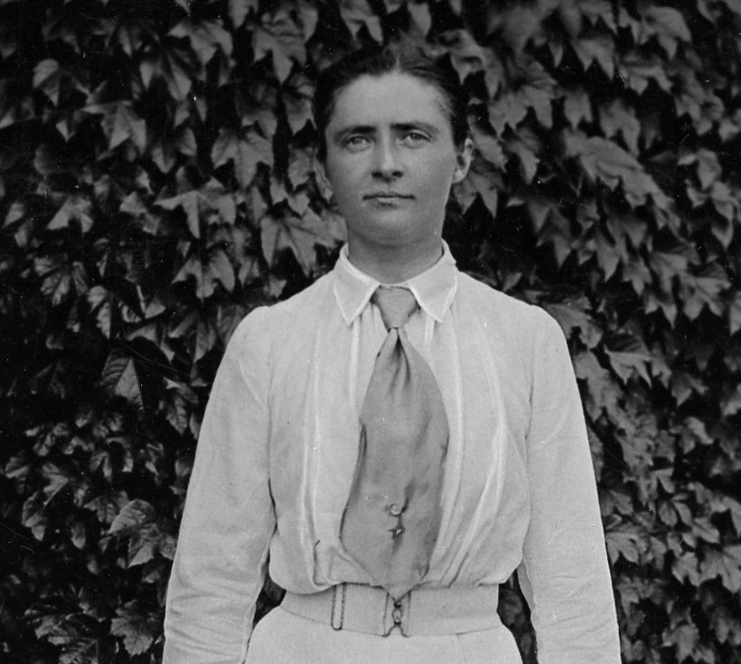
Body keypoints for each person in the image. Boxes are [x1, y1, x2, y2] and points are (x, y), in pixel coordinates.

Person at [162, 45, 621, 664]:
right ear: (323, 169)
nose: (385, 164)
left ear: (461, 158)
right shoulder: (270, 342)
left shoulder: (525, 341)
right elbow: (211, 579)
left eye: (412, 136)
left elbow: (572, 580)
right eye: (356, 139)